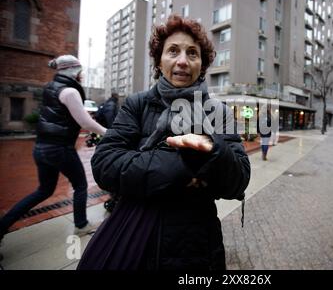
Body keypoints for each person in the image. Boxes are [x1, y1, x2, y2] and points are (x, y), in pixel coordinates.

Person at [77, 15, 250, 270]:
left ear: (201, 64)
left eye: (192, 53)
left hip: (196, 244)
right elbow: (105, 164)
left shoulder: (219, 112)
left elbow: (239, 179)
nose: (182, 61)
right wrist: (184, 164)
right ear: (159, 61)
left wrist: (211, 148)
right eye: (173, 51)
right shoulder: (138, 104)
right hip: (137, 235)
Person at [0, 55, 107, 242]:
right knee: (81, 185)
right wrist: (108, 132)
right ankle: (81, 225)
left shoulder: (50, 87)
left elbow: (61, 116)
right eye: (80, 70)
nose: (81, 75)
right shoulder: (70, 91)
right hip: (60, 149)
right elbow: (84, 121)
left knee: (44, 191)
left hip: (41, 148)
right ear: (73, 71)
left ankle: (1, 227)